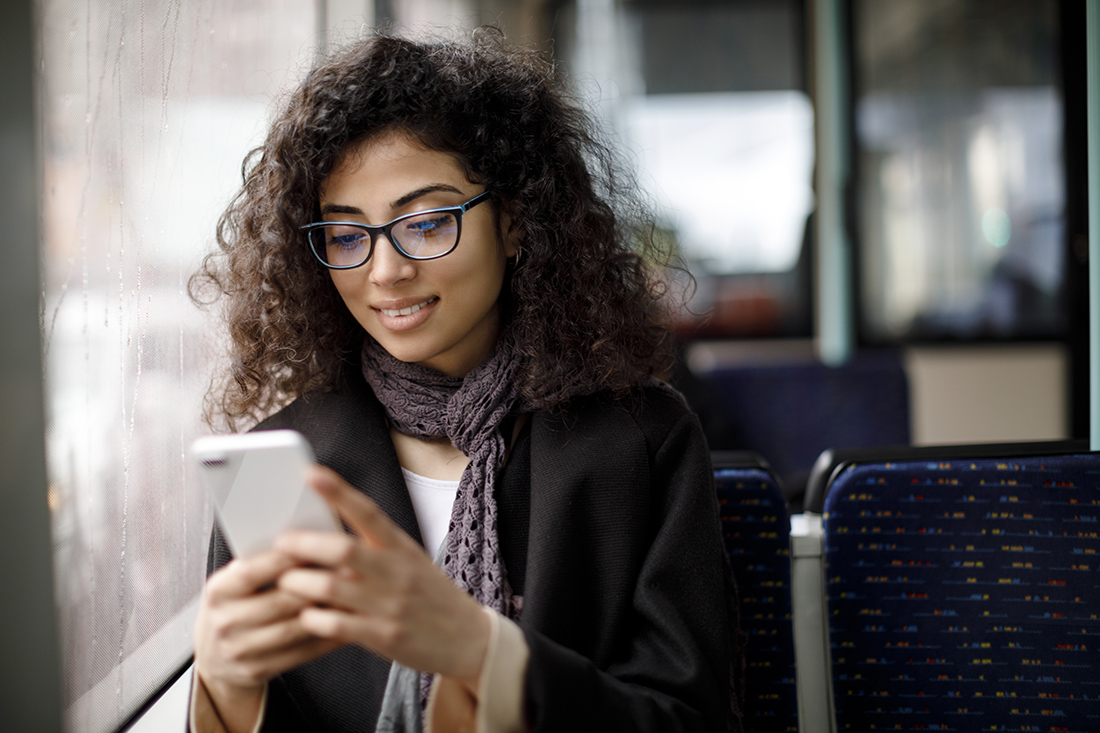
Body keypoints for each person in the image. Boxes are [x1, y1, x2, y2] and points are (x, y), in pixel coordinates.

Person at [188, 27, 741, 733]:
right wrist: (228, 692)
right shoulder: (279, 462)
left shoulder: (641, 441)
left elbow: (687, 720)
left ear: (513, 221)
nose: (385, 271)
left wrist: (483, 653)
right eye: (347, 235)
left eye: (425, 222)